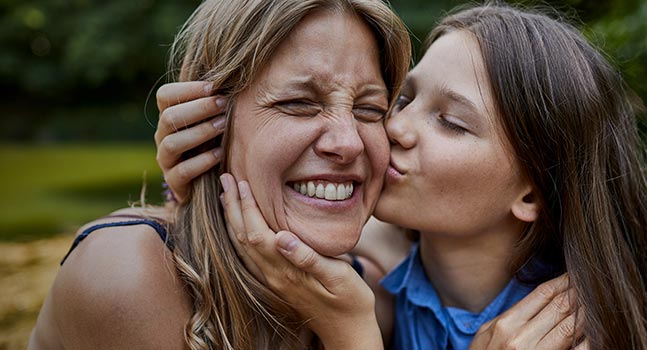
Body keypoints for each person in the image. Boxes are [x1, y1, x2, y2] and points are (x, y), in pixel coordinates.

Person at [159, 3, 647, 349]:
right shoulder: (378, 277)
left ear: (531, 192)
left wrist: (352, 334)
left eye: (450, 122)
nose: (392, 129)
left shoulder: (567, 333)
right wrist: (207, 168)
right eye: (403, 99)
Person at [28, 0, 408, 348]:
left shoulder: (369, 296)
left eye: (369, 109)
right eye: (298, 103)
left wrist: (352, 327)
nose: (349, 143)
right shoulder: (126, 274)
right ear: (206, 123)